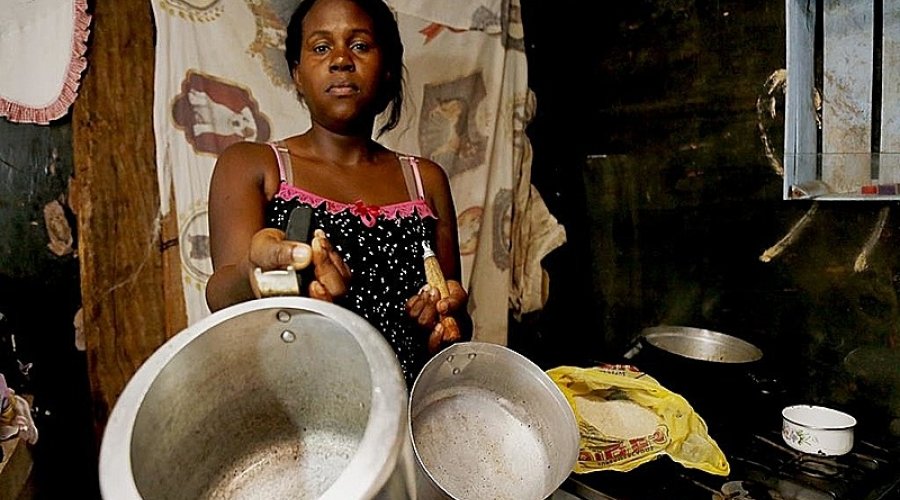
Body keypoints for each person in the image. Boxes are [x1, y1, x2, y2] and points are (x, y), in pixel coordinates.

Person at [205, 0, 470, 386]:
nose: (341, 59)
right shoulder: (253, 166)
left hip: (406, 411)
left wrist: (444, 320)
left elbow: (455, 323)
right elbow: (221, 295)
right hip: (299, 411)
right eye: (321, 47)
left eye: (360, 45)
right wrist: (262, 271)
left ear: (389, 70)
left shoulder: (424, 180)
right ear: (296, 73)